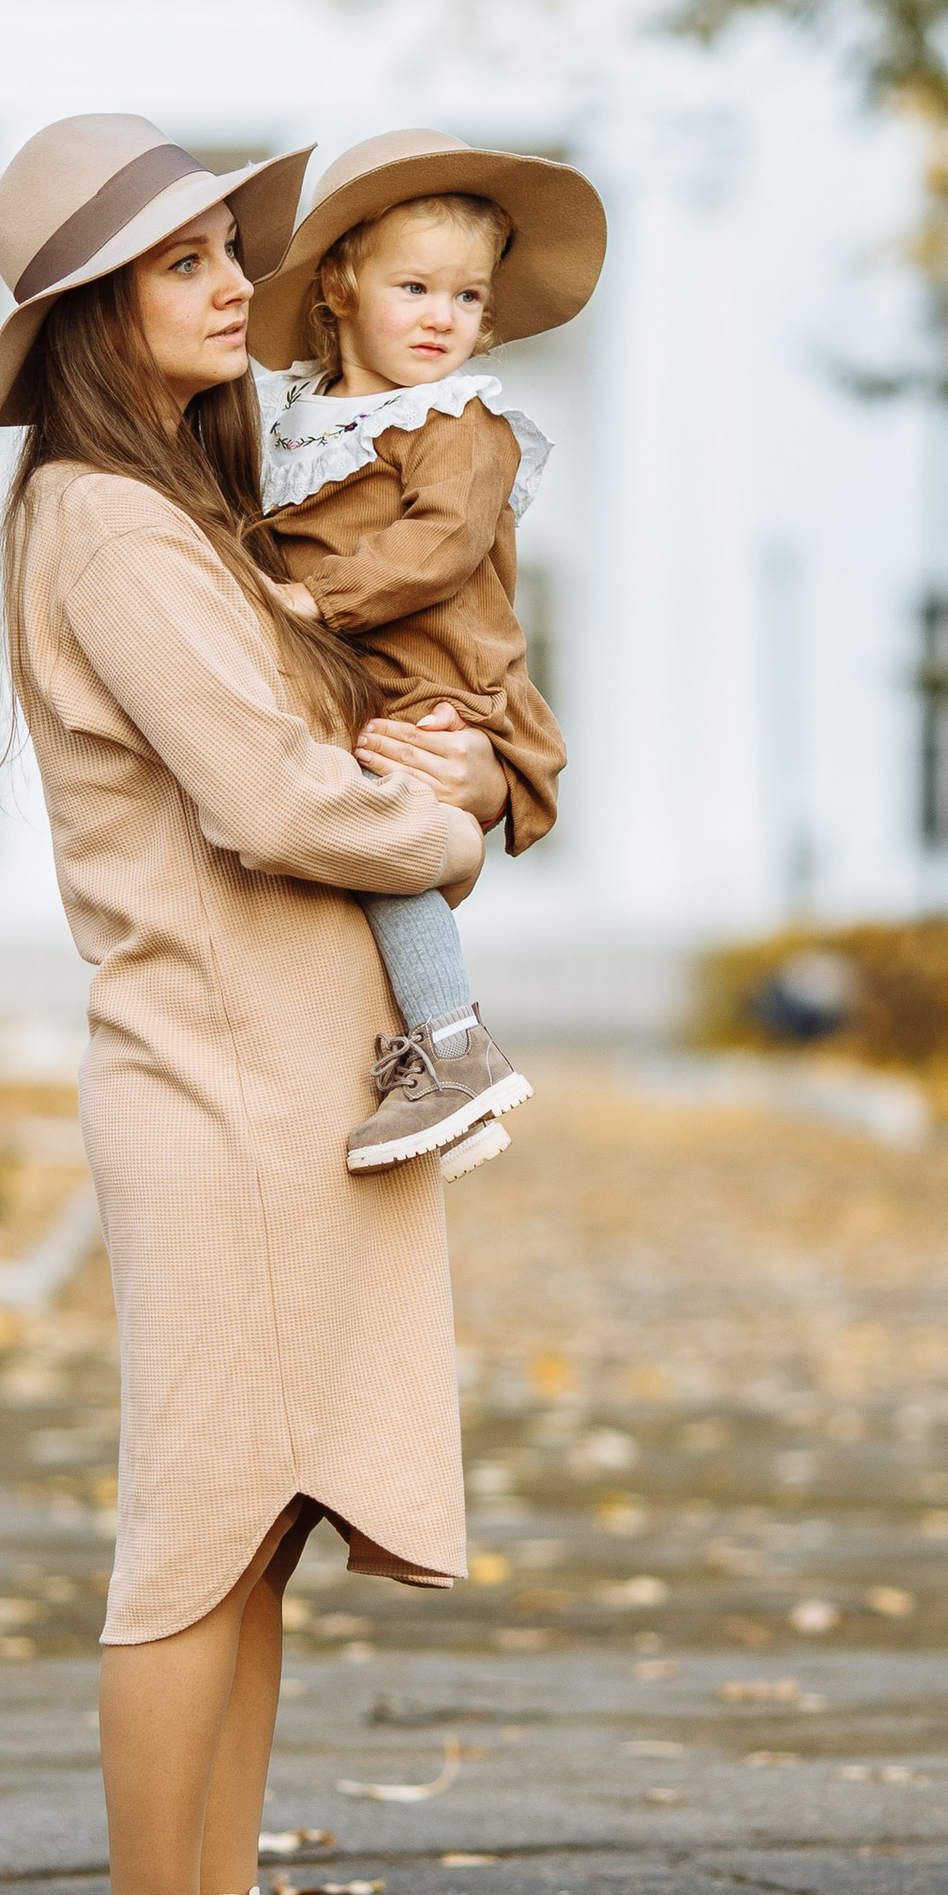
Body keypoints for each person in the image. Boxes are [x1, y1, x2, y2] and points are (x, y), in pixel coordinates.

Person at [0, 112, 513, 1895]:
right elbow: (270, 805)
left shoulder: (179, 521)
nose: (237, 285)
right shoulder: (103, 526)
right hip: (215, 1080)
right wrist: (445, 814)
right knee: (194, 1527)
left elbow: (303, 748)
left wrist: (392, 738)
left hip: (294, 1084)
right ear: (95, 313)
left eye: (232, 252)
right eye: (189, 261)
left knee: (263, 1526)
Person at [249, 128, 607, 1178]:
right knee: (341, 833)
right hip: (354, 671)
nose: (442, 319)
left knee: (384, 827)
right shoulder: (308, 421)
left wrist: (314, 599)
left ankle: (451, 1044)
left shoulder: (459, 419)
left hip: (436, 677)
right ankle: (420, 1065)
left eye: (465, 299)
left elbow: (439, 547)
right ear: (339, 286)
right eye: (415, 287)